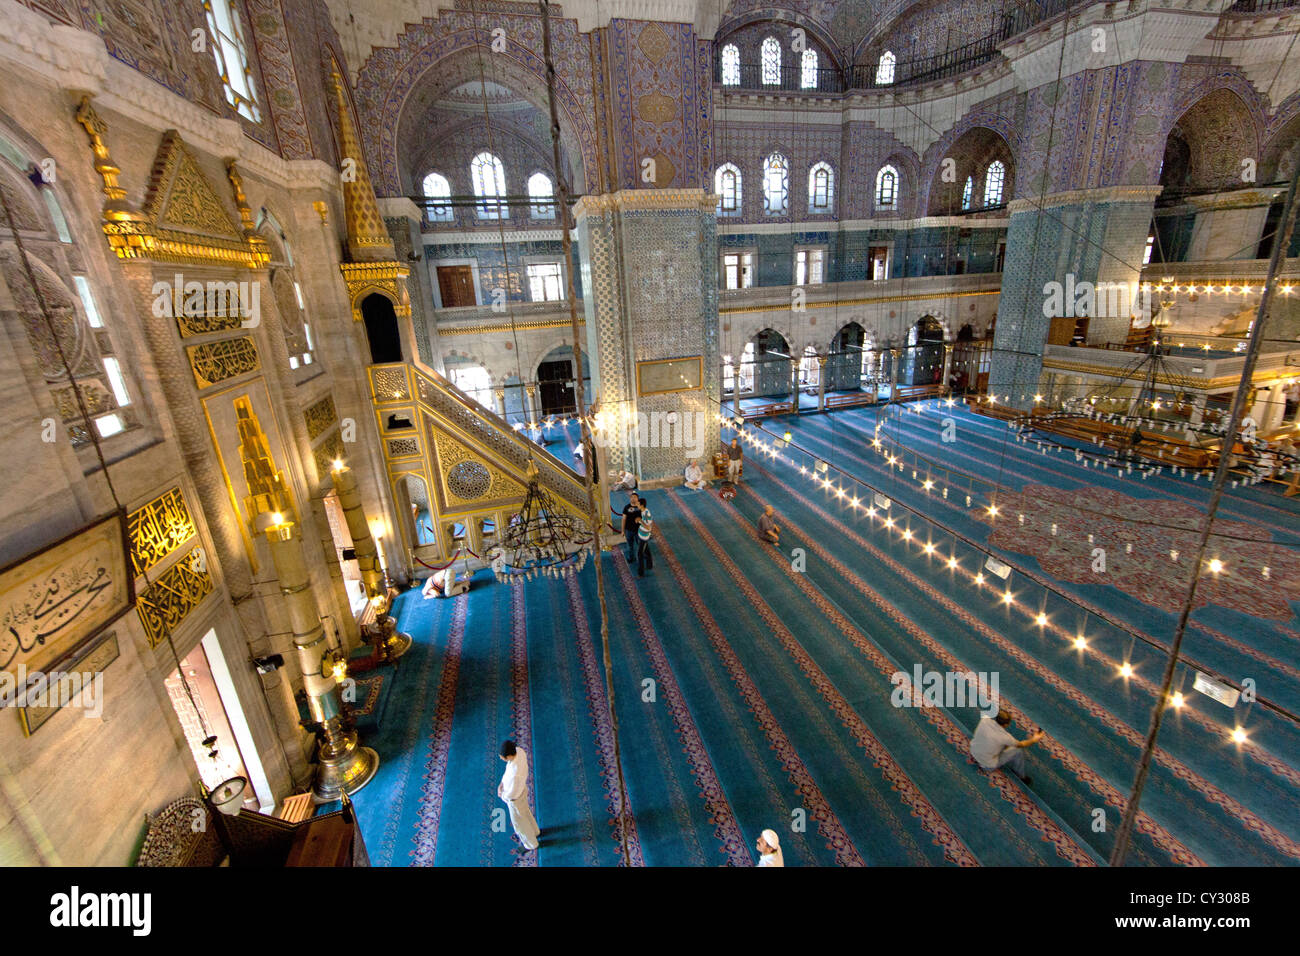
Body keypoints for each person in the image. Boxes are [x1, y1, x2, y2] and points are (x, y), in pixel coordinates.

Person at [969, 709, 1044, 784]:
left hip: (973, 751)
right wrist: (1034, 739)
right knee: (1017, 751)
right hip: (987, 765)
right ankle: (1021, 775)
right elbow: (1021, 745)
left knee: (998, 743)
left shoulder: (984, 720)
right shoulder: (1006, 737)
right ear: (1005, 725)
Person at [497, 740, 541, 854]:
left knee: (520, 824)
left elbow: (512, 794)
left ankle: (531, 844)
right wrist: (502, 783)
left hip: (515, 799)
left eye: (503, 757)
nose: (502, 759)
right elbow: (508, 770)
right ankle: (535, 831)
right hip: (522, 791)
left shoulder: (516, 775)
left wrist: (502, 794)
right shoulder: (519, 751)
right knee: (525, 813)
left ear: (510, 756)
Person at [619, 492, 642, 564]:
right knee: (630, 545)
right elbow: (623, 519)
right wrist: (622, 531)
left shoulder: (641, 507)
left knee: (640, 545)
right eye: (632, 497)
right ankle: (631, 557)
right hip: (629, 530)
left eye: (635, 497)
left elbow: (645, 518)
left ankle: (641, 556)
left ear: (638, 499)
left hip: (639, 530)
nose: (633, 498)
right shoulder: (626, 507)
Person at [635, 496, 655, 576]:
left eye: (638, 504)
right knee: (646, 550)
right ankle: (649, 565)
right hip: (641, 535)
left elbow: (649, 528)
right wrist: (639, 520)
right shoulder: (643, 512)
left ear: (642, 505)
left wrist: (640, 521)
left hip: (644, 537)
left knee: (640, 554)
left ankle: (641, 573)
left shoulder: (647, 514)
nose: (637, 505)